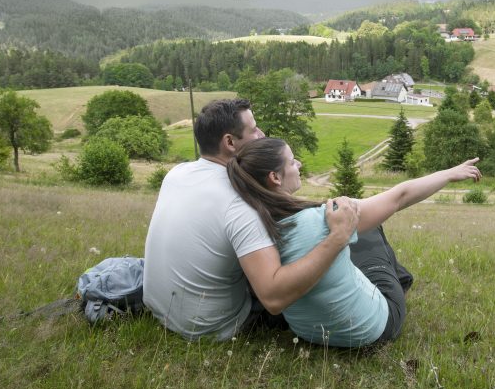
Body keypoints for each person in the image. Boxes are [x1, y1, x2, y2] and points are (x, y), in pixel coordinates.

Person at [227, 137, 481, 348]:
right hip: (373, 329)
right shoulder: (321, 220)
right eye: (292, 161)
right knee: (369, 229)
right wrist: (449, 173)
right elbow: (399, 197)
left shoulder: (253, 231)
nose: (300, 164)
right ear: (275, 177)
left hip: (311, 335)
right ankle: (399, 280)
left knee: (353, 232)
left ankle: (390, 273)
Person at [143, 98, 359, 340]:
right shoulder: (242, 200)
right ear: (230, 142)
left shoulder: (177, 173)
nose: (262, 134)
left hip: (160, 310)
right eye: (254, 129)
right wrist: (337, 239)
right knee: (351, 242)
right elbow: (273, 297)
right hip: (211, 327)